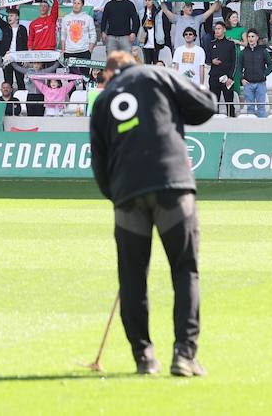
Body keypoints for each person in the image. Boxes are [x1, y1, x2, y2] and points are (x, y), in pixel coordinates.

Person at [88, 50, 216, 379]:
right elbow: (205, 105)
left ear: (109, 74)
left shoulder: (102, 102)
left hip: (127, 193)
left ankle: (144, 357)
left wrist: (117, 196)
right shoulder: (154, 74)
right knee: (184, 270)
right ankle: (184, 355)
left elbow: (100, 167)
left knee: (132, 278)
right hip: (171, 183)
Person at [236, 30, 272, 117]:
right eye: (249, 37)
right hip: (248, 84)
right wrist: (242, 78)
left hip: (260, 83)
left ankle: (262, 128)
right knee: (250, 107)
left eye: (252, 36)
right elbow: (238, 67)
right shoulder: (243, 53)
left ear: (257, 37)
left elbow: (270, 65)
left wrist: (264, 74)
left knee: (261, 107)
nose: (250, 39)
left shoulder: (263, 51)